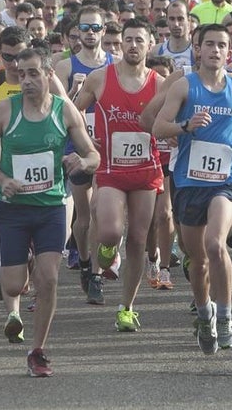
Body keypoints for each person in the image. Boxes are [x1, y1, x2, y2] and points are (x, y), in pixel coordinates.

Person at [0, 47, 100, 377]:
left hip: (52, 208)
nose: (26, 80)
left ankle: (38, 350)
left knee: (51, 278)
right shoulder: (5, 110)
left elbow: (92, 155)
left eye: (33, 73)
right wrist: (0, 178)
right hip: (13, 209)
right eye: (21, 74)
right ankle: (21, 266)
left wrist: (81, 161)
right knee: (13, 286)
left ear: (48, 76)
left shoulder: (65, 111)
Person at [152, 23, 232, 354]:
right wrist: (185, 125)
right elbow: (159, 126)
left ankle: (227, 317)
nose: (215, 50)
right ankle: (205, 314)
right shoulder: (184, 87)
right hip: (188, 182)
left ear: (228, 53)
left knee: (216, 245)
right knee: (197, 260)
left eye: (221, 45)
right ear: (198, 50)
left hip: (224, 180)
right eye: (209, 45)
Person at [74, 18, 163, 332]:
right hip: (111, 170)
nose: (134, 45)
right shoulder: (100, 78)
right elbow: (73, 112)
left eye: (140, 39)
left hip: (146, 172)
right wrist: (85, 140)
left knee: (138, 240)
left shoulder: (159, 83)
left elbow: (171, 118)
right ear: (119, 44)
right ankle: (108, 252)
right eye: (129, 39)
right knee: (111, 232)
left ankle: (127, 307)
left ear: (149, 44)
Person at [54, 6, 112, 302]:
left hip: (108, 149)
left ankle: (99, 275)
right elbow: (59, 112)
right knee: (86, 214)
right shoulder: (64, 67)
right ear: (76, 32)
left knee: (105, 212)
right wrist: (75, 92)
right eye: (85, 28)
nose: (90, 34)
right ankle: (87, 264)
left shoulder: (113, 66)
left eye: (95, 28)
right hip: (76, 148)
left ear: (104, 31)